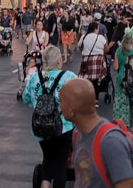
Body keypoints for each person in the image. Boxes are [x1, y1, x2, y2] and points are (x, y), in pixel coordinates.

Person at [59, 78, 133, 188]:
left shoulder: (111, 141)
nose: (59, 106)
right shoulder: (78, 134)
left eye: (61, 101)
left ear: (71, 109)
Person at [22, 46, 77, 188]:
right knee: (60, 163)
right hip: (63, 126)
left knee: (47, 158)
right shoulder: (68, 77)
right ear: (58, 61)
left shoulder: (35, 77)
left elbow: (26, 98)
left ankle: (45, 184)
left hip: (41, 126)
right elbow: (78, 97)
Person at [77, 22, 108, 105]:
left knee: (86, 79)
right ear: (95, 29)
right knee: (97, 80)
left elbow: (79, 46)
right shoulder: (100, 37)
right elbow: (106, 49)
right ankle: (95, 99)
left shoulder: (84, 37)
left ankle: (86, 97)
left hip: (86, 60)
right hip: (98, 60)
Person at [112, 33, 133, 129]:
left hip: (121, 76)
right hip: (131, 76)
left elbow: (115, 67)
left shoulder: (118, 51)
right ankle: (131, 122)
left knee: (120, 99)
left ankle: (120, 120)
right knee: (131, 99)